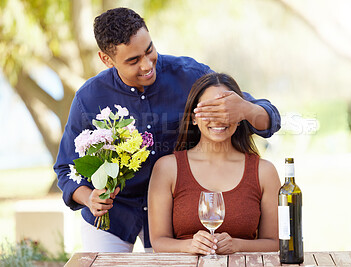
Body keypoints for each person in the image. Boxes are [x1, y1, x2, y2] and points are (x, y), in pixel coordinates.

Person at [53, 7, 281, 252]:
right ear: (106, 59)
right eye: (133, 60)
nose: (147, 64)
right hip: (114, 217)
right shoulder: (90, 97)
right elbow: (66, 167)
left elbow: (267, 115)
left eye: (149, 50)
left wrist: (245, 110)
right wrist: (88, 197)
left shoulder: (190, 76)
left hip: (173, 219)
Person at [148, 72, 280, 255]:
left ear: (240, 116)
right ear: (193, 117)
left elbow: (275, 244)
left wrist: (238, 245)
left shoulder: (264, 172)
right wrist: (188, 246)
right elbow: (159, 241)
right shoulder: (167, 169)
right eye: (209, 109)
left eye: (225, 110)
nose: (218, 118)